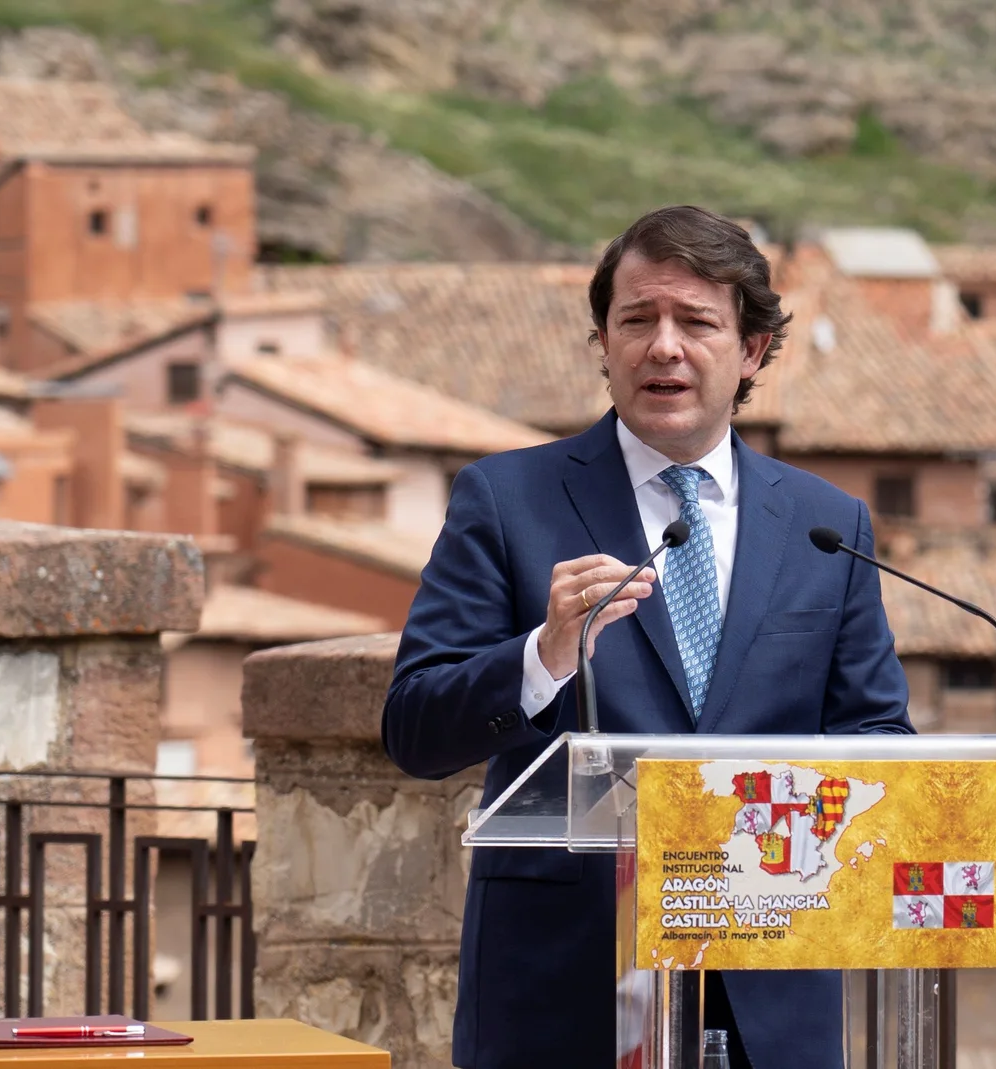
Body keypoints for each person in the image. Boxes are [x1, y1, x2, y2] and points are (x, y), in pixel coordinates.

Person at [383, 205, 913, 1069]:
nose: (663, 345)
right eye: (637, 319)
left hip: (767, 997)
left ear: (750, 350)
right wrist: (544, 655)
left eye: (697, 321)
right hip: (562, 997)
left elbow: (879, 739)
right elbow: (413, 728)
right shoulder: (507, 501)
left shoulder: (826, 523)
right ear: (603, 343)